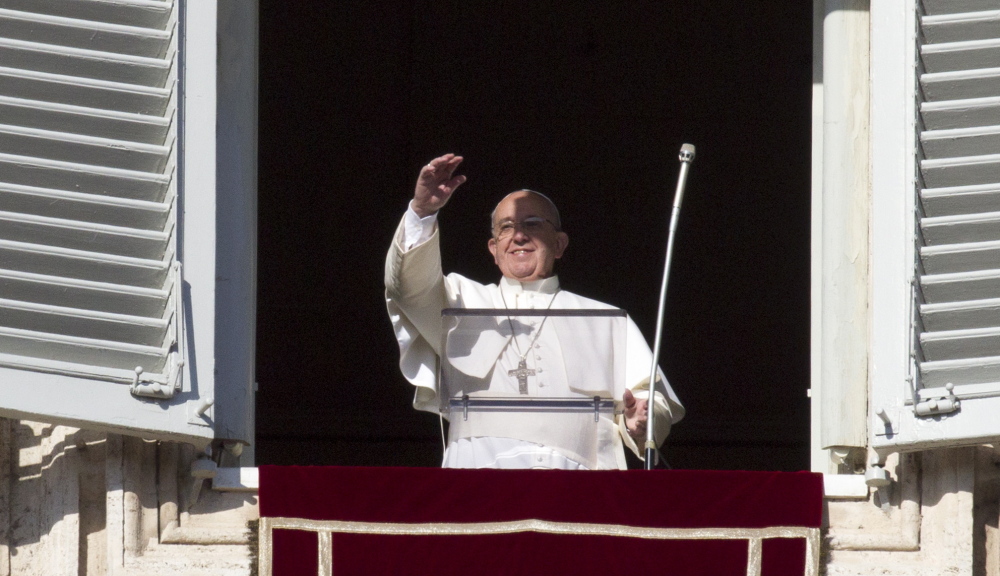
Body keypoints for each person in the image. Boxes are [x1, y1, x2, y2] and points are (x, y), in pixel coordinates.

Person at [385, 153, 684, 469]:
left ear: (559, 244)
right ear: (494, 250)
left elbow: (652, 401)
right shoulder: (459, 300)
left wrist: (643, 420)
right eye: (506, 227)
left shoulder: (607, 319)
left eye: (532, 224)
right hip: (480, 479)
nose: (518, 235)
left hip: (579, 484)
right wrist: (422, 212)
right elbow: (407, 288)